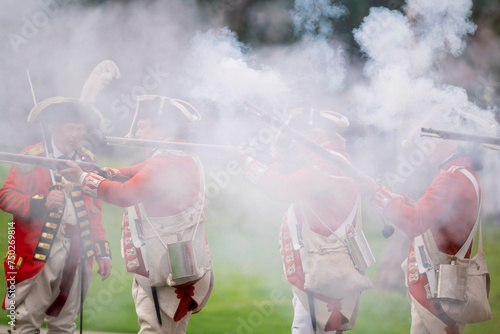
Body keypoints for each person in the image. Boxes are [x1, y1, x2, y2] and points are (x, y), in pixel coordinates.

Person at [61, 95, 214, 334]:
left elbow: (125, 194)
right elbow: (136, 170)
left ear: (162, 129)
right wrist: (106, 172)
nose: (136, 133)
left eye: (143, 127)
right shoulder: (176, 155)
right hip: (177, 262)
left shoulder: (165, 162)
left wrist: (83, 178)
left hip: (163, 269)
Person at [236, 108, 373, 334]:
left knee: (308, 329)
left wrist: (246, 163)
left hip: (323, 270)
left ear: (316, 136)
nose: (292, 145)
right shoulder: (331, 160)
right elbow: (296, 180)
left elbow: (285, 189)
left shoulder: (328, 162)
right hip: (323, 267)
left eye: (297, 137)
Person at [367, 109, 495, 333]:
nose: (427, 148)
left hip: (435, 289)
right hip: (440, 286)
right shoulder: (460, 172)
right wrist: (394, 198)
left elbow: (417, 221)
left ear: (453, 143)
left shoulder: (452, 176)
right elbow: (429, 214)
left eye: (433, 141)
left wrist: (378, 196)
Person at [0, 98, 112, 333]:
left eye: (79, 128)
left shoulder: (87, 161)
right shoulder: (31, 157)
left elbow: (94, 212)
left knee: (64, 323)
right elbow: (5, 196)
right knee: (24, 320)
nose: (76, 134)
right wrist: (40, 203)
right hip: (36, 254)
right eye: (70, 127)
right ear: (53, 127)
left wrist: (102, 251)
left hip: (79, 253)